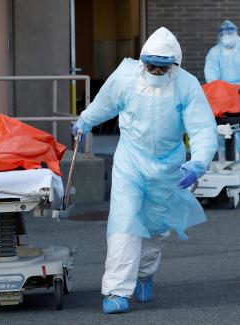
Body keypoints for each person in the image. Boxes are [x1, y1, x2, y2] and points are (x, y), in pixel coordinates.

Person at [72, 27, 218, 314]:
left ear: (174, 65)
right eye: (151, 65)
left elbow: (202, 127)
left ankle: (144, 274)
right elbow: (104, 103)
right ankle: (116, 291)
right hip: (131, 162)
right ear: (142, 61)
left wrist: (197, 163)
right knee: (124, 224)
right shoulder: (125, 77)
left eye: (162, 67)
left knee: (155, 230)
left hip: (168, 167)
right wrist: (84, 121)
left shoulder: (187, 85)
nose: (155, 72)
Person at [204, 20, 240, 156]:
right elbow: (212, 79)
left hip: (239, 95)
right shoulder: (215, 53)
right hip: (223, 99)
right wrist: (222, 93)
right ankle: (227, 161)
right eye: (224, 33)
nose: (227, 35)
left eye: (230, 32)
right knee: (225, 132)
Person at [204, 20, 240, 84]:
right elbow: (211, 76)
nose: (226, 36)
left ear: (235, 33)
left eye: (229, 33)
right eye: (223, 34)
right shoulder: (214, 52)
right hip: (223, 90)